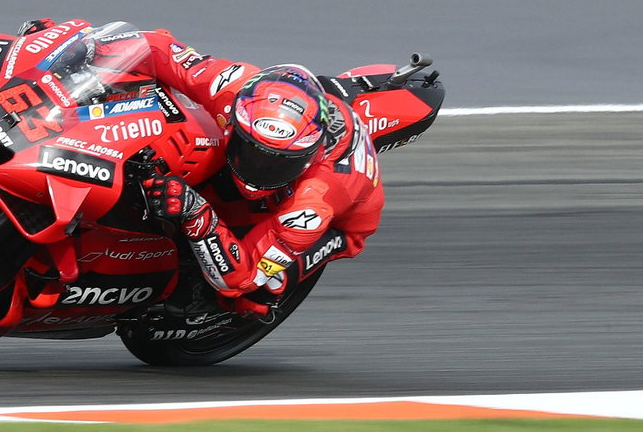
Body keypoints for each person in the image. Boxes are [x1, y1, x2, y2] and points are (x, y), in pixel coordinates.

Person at [25, 19, 384, 319]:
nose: (258, 170)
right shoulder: (231, 87)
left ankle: (209, 309)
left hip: (338, 223)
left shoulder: (314, 202)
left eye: (277, 163)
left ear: (307, 157)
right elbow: (156, 47)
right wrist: (78, 52)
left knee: (253, 295)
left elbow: (242, 277)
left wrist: (196, 214)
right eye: (250, 151)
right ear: (235, 121)